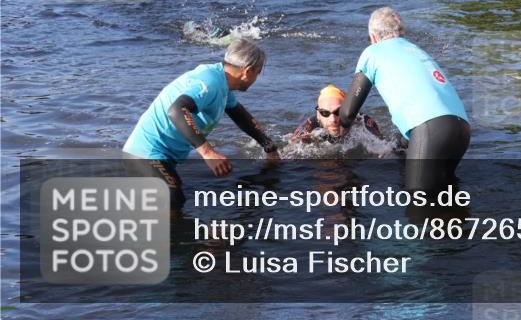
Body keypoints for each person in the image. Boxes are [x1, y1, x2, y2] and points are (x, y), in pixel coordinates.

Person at [123, 39, 279, 211]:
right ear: (248, 71)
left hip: (163, 157)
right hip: (145, 153)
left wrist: (269, 146)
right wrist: (208, 153)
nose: (256, 78)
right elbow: (177, 110)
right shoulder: (210, 82)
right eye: (258, 73)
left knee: (174, 197)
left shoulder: (221, 81)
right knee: (173, 199)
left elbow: (239, 114)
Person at [339, 8, 470, 192]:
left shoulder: (372, 52)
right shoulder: (415, 50)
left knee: (418, 203)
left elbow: (347, 113)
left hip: (431, 129)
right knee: (446, 196)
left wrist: (341, 134)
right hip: (461, 128)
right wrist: (396, 145)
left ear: (373, 36)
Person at [290, 84, 398, 156]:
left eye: (338, 112)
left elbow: (386, 148)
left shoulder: (361, 121)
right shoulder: (310, 126)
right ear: (318, 114)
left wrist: (376, 149)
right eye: (325, 113)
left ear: (348, 110)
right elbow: (287, 151)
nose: (333, 119)